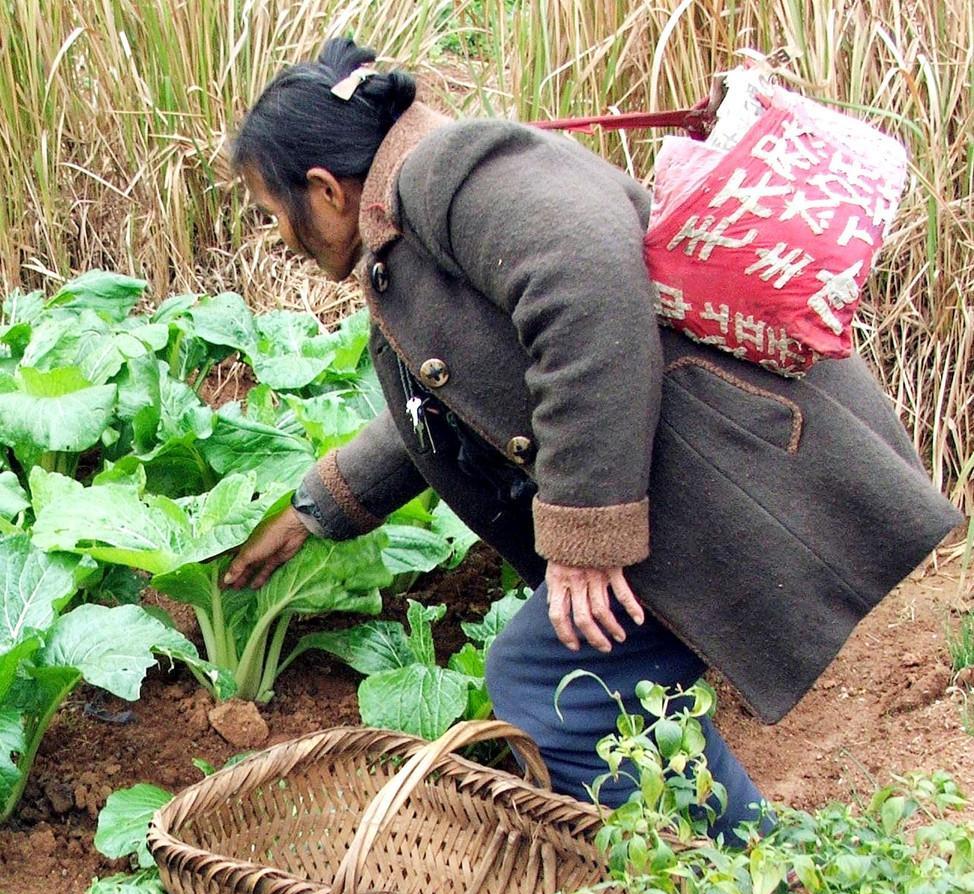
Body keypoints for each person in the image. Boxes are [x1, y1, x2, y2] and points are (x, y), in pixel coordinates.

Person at [224, 36, 962, 838]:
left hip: (724, 474)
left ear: (326, 189)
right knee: (621, 695)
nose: (280, 236)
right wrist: (315, 509)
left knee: (555, 682)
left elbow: (589, 289)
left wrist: (585, 534)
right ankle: (755, 880)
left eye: (273, 211)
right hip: (691, 472)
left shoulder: (451, 173)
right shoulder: (417, 212)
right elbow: (451, 400)